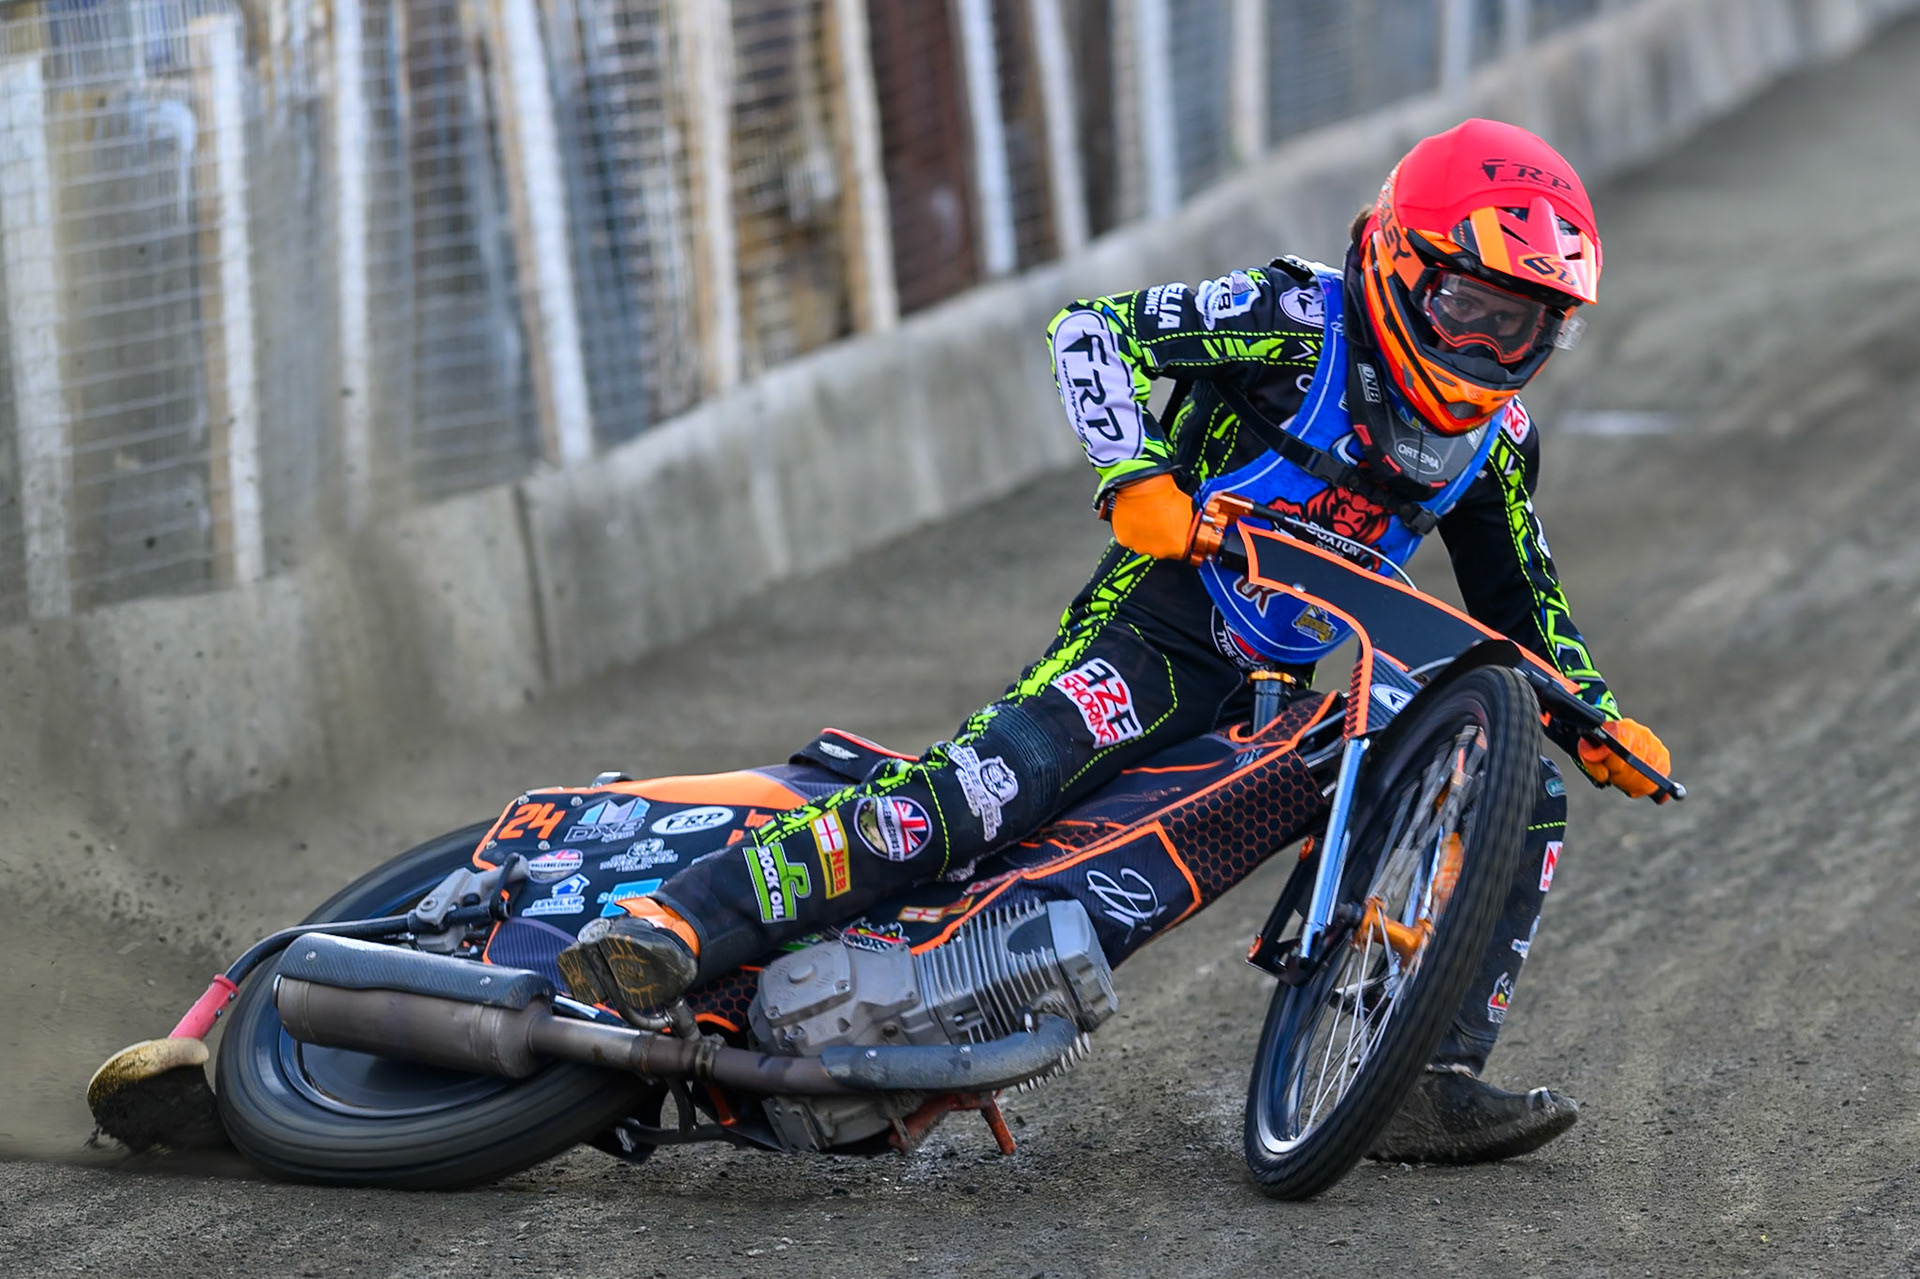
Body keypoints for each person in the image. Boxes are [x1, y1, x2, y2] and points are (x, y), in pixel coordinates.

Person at [560, 118, 1671, 1164]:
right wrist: (1133, 475)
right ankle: (678, 918)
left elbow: (1523, 599)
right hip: (1153, 632)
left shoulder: (1499, 443)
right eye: (1471, 304)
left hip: (1274, 695)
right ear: (1398, 261)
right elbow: (1093, 332)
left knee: (1515, 792)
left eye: (1519, 324)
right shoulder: (1295, 317)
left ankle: (1420, 1071)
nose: (1487, 343)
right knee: (989, 793)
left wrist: (1594, 715)